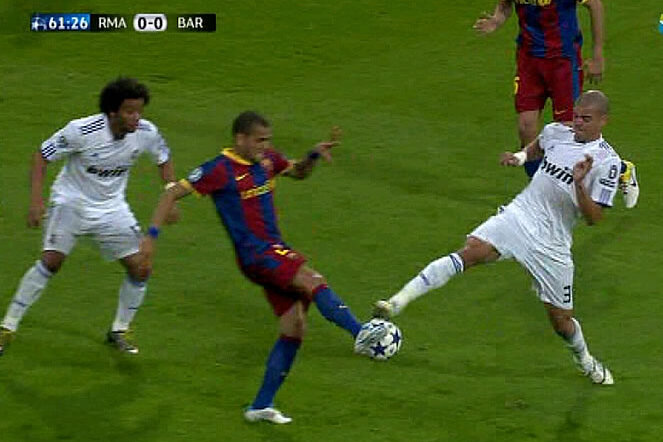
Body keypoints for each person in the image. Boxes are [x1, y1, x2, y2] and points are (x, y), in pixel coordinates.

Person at [139, 111, 387, 424]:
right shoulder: (219, 169)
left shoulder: (268, 160)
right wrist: (151, 237)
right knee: (312, 279)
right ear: (240, 138)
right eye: (259, 140)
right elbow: (172, 193)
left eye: (267, 140)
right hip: (256, 254)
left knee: (294, 327)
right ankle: (361, 334)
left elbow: (298, 172)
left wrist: (312, 155)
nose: (264, 146)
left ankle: (260, 406)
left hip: (272, 250)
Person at [375, 90, 620, 385]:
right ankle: (396, 302)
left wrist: (579, 184)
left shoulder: (607, 162)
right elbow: (538, 146)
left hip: (552, 243)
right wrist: (520, 157)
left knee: (562, 322)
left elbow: (595, 219)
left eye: (586, 119)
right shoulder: (557, 131)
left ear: (604, 121)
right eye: (576, 116)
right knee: (471, 252)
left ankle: (586, 361)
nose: (577, 123)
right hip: (520, 215)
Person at [0, 77, 178, 356]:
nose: (137, 117)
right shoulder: (81, 130)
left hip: (112, 208)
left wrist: (170, 192)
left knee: (141, 267)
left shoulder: (146, 132)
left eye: (139, 111)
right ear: (112, 112)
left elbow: (163, 158)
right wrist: (36, 201)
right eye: (130, 111)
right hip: (71, 202)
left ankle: (120, 330)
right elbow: (41, 156)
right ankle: (7, 327)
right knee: (51, 261)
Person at [473, 0, 639, 208]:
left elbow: (595, 4)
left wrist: (598, 54)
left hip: (563, 60)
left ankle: (621, 169)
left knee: (570, 131)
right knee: (526, 126)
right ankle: (539, 190)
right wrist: (496, 20)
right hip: (528, 59)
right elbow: (505, 4)